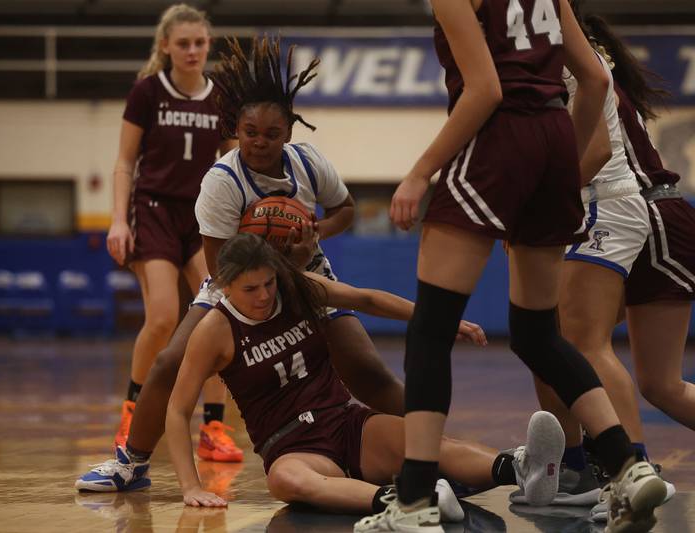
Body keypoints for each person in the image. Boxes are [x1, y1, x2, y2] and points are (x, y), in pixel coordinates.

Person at [77, 35, 467, 493]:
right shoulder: (221, 182)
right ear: (235, 130)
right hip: (237, 279)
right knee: (167, 362)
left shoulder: (307, 163)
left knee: (367, 370)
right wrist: (279, 269)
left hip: (306, 270)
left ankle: (432, 451)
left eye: (272, 134)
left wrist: (313, 235)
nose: (260, 143)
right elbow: (220, 267)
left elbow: (345, 209)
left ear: (289, 132)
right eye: (249, 133)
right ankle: (132, 463)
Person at [358, 1, 667, 532]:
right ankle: (625, 464)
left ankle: (412, 501)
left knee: (431, 328)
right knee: (537, 333)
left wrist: (419, 173)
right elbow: (593, 79)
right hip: (553, 138)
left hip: (501, 136)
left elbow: (486, 90)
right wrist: (557, 160)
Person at [165, 233, 567, 522]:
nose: (265, 295)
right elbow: (179, 409)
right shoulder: (214, 329)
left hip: (346, 422)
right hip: (292, 446)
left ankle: (521, 468)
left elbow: (366, 299)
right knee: (285, 479)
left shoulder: (296, 288)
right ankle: (408, 504)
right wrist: (191, 486)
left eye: (269, 282)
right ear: (224, 286)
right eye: (250, 288)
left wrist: (442, 320)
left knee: (426, 442)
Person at [523, 6, 688, 521]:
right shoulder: (565, 68)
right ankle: (582, 464)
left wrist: (536, 202)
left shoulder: (575, 67)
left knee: (584, 342)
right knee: (551, 336)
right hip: (628, 207)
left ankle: (628, 469)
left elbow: (592, 154)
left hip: (643, 208)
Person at [105, 3, 238, 457]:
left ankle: (214, 428)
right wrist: (119, 219)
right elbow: (125, 162)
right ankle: (133, 412)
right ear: (166, 46)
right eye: (183, 43)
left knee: (221, 315)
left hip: (202, 216)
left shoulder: (220, 96)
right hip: (155, 210)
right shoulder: (147, 92)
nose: (193, 50)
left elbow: (234, 161)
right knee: (163, 317)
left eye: (200, 42)